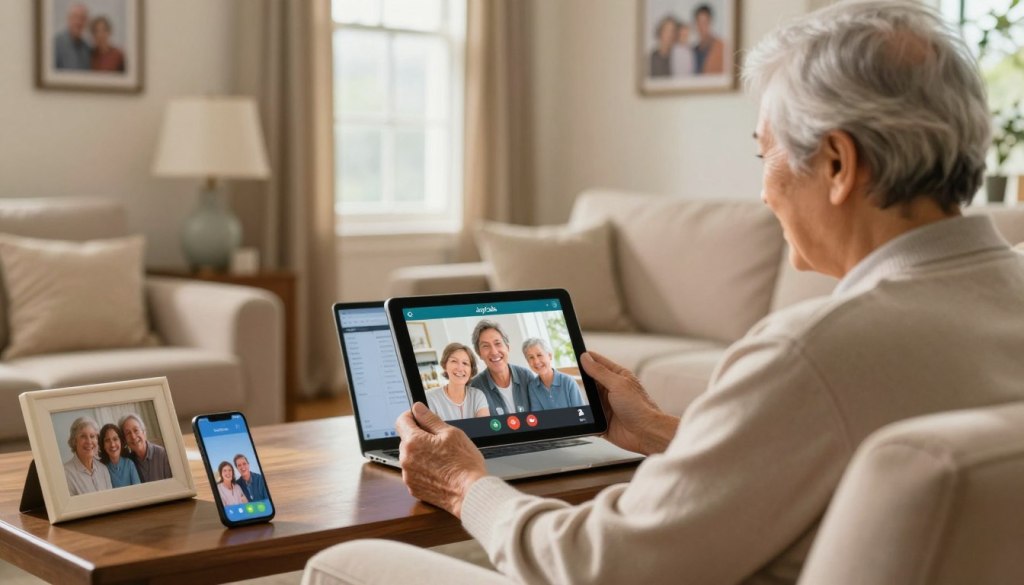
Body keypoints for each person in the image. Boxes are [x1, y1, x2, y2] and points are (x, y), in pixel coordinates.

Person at [304, 3, 1024, 584]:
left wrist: (465, 486)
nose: (763, 190)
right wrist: (659, 433)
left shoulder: (809, 354)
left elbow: (596, 563)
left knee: (337, 562)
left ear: (836, 163)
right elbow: (817, 465)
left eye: (763, 153)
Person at [469, 320, 534, 416]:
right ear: (479, 354)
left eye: (497, 343)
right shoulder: (475, 387)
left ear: (507, 347)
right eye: (486, 346)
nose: (494, 352)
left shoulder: (526, 376)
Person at [426, 343, 490, 421]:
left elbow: (484, 428)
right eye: (454, 361)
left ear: (471, 370)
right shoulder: (430, 398)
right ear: (444, 365)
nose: (460, 368)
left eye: (465, 363)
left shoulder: (477, 396)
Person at [522, 338, 585, 411]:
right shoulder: (532, 387)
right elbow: (539, 417)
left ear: (550, 356)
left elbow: (581, 413)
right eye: (531, 357)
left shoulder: (568, 381)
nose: (536, 361)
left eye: (539, 355)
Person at [63, 417, 112, 496]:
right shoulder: (65, 474)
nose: (89, 441)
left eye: (92, 436)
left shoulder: (103, 469)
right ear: (75, 441)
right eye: (83, 436)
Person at [120, 413, 172, 483]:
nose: (133, 436)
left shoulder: (163, 454)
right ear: (125, 440)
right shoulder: (128, 462)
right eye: (128, 433)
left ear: (144, 432)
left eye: (136, 430)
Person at [99, 423, 140, 489]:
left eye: (115, 439)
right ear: (103, 445)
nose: (112, 444)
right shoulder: (101, 468)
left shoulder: (129, 464)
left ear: (121, 441)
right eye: (107, 440)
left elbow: (139, 490)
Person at [54, 3, 91, 70]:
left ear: (87, 22)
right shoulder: (55, 44)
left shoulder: (87, 48)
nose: (78, 22)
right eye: (75, 17)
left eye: (82, 18)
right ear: (68, 19)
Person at [692, 4, 724, 74]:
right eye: (699, 23)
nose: (701, 27)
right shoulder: (693, 51)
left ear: (710, 23)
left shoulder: (721, 47)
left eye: (704, 23)